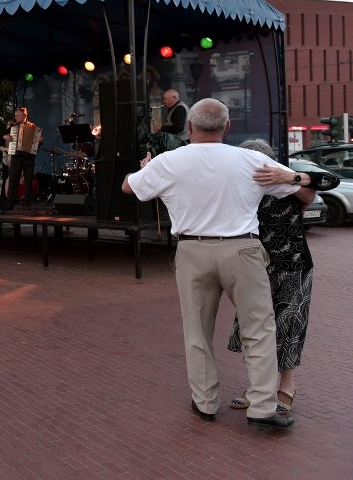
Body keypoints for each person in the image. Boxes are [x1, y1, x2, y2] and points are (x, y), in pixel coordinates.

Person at [121, 98, 311, 428]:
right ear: (227, 128)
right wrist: (297, 178)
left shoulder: (169, 162)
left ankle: (206, 403)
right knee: (259, 328)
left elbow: (128, 187)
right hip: (243, 251)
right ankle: (263, 407)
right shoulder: (251, 160)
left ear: (190, 128)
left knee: (197, 330)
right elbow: (305, 197)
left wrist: (146, 167)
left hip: (193, 252)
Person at [227, 139, 340, 414]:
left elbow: (328, 182)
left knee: (289, 325)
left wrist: (289, 176)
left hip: (294, 265)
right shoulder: (239, 189)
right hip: (254, 267)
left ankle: (286, 386)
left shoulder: (289, 186)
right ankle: (258, 386)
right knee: (253, 327)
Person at [2, 107, 43, 210]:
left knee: (28, 180)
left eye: (17, 116)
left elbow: (39, 140)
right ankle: (10, 202)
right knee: (13, 179)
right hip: (16, 156)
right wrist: (6, 137)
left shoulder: (33, 127)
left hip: (28, 157)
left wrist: (40, 140)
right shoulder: (13, 126)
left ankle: (26, 202)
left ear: (24, 116)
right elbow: (4, 136)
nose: (15, 117)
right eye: (15, 116)